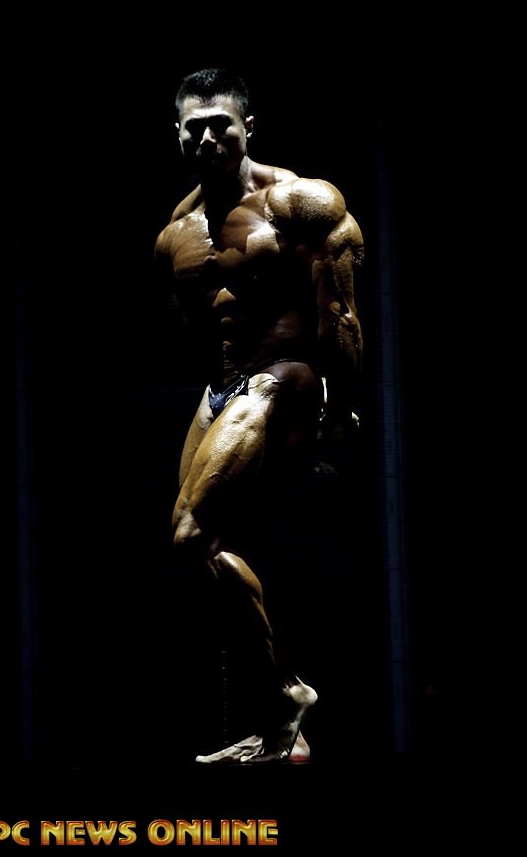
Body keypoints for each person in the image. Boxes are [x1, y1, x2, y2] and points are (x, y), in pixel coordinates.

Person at [154, 68, 364, 765]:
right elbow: (195, 326)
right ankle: (281, 718)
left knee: (191, 528)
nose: (208, 138)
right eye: (194, 128)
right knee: (199, 549)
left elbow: (340, 312)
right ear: (177, 136)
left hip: (285, 378)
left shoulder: (299, 202)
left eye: (221, 124)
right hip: (222, 390)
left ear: (248, 126)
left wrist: (341, 405)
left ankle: (288, 699)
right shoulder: (175, 234)